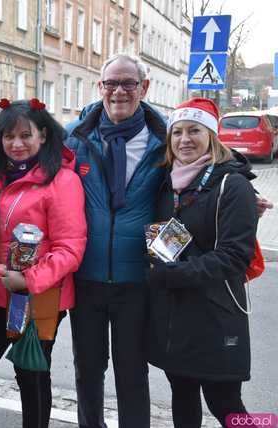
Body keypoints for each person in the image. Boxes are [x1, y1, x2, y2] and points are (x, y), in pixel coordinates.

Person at [0, 98, 87, 428]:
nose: (16, 144)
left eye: (25, 135)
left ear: (43, 135)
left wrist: (29, 280)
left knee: (30, 370)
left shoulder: (62, 181)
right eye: (8, 136)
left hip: (37, 296)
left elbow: (70, 247)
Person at [63, 53, 166, 428]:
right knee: (87, 370)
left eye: (129, 84)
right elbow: (28, 167)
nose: (119, 92)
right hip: (86, 276)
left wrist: (242, 192)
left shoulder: (164, 139)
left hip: (137, 280)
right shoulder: (75, 136)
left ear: (145, 88)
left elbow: (211, 166)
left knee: (132, 372)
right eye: (111, 83)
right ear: (100, 87)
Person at [147, 98, 258, 428]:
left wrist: (170, 276)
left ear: (212, 135)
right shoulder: (166, 183)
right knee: (182, 397)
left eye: (194, 130)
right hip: (173, 318)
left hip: (215, 316)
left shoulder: (232, 184)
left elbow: (234, 256)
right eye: (177, 132)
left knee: (226, 404)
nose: (184, 140)